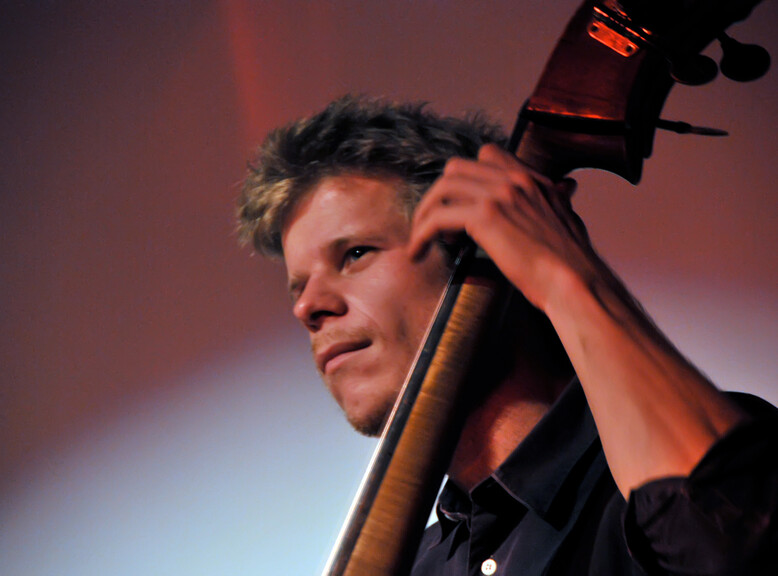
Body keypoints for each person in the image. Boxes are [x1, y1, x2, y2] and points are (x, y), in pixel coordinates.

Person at [237, 95, 777, 575]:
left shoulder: (670, 481)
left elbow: (736, 540)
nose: (308, 307)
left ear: (486, 252)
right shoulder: (420, 564)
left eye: (354, 254)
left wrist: (566, 275)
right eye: (298, 288)